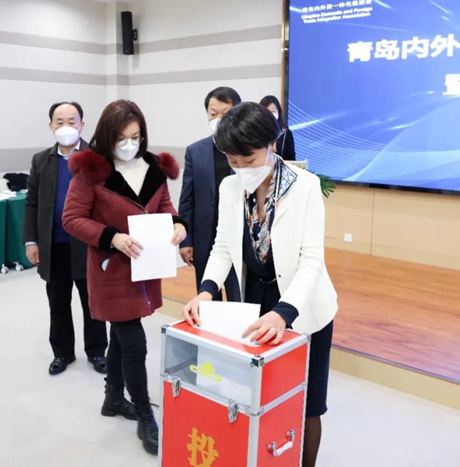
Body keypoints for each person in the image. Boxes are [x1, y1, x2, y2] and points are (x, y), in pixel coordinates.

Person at [182, 103, 338, 467]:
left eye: (248, 159)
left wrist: (283, 314)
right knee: (258, 392)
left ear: (272, 143)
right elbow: (223, 246)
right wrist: (206, 290)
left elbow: (311, 260)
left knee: (307, 402)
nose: (241, 168)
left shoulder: (305, 186)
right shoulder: (230, 186)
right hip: (254, 298)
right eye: (232, 160)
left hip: (302, 305)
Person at [62, 99, 187, 455]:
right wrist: (111, 237)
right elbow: (72, 219)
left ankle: (113, 398)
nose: (130, 145)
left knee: (120, 336)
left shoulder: (153, 167)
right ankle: (145, 412)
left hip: (146, 267)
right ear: (107, 136)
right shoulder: (91, 172)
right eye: (122, 138)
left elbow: (166, 208)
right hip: (112, 270)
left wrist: (178, 225)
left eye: (136, 137)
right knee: (134, 343)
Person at [23, 102, 108, 376]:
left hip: (88, 244)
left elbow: (107, 202)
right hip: (53, 245)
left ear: (82, 124)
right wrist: (31, 241)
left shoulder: (97, 157)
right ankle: (62, 353)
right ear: (50, 126)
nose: (66, 126)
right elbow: (32, 202)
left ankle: (97, 351)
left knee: (92, 302)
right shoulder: (41, 160)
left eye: (72, 121)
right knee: (58, 303)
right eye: (59, 121)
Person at [178, 86, 242, 302]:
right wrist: (185, 241)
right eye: (213, 114)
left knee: (238, 297)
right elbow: (187, 199)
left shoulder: (247, 150)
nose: (219, 120)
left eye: (225, 114)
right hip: (205, 237)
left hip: (237, 238)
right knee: (207, 298)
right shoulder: (195, 151)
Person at [260, 95, 296, 161]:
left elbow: (292, 159)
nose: (271, 115)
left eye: (273, 111)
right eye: (267, 112)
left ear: (278, 112)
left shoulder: (286, 133)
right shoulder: (256, 132)